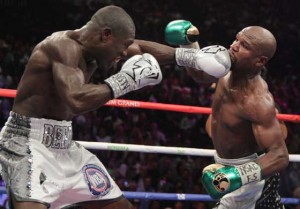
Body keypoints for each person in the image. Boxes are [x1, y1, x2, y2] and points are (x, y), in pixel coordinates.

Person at [0, 6, 231, 209]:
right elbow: (76, 99)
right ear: (106, 35)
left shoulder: (100, 47)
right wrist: (125, 80)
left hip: (64, 145)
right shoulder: (61, 46)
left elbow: (139, 47)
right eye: (122, 48)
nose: (123, 54)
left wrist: (191, 56)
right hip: (28, 144)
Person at [165, 22, 289, 209]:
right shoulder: (226, 70)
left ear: (260, 61)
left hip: (251, 178)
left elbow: (280, 155)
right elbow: (200, 75)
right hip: (227, 166)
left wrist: (236, 176)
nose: (234, 46)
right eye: (236, 39)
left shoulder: (257, 100)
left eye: (244, 45)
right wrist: (187, 43)